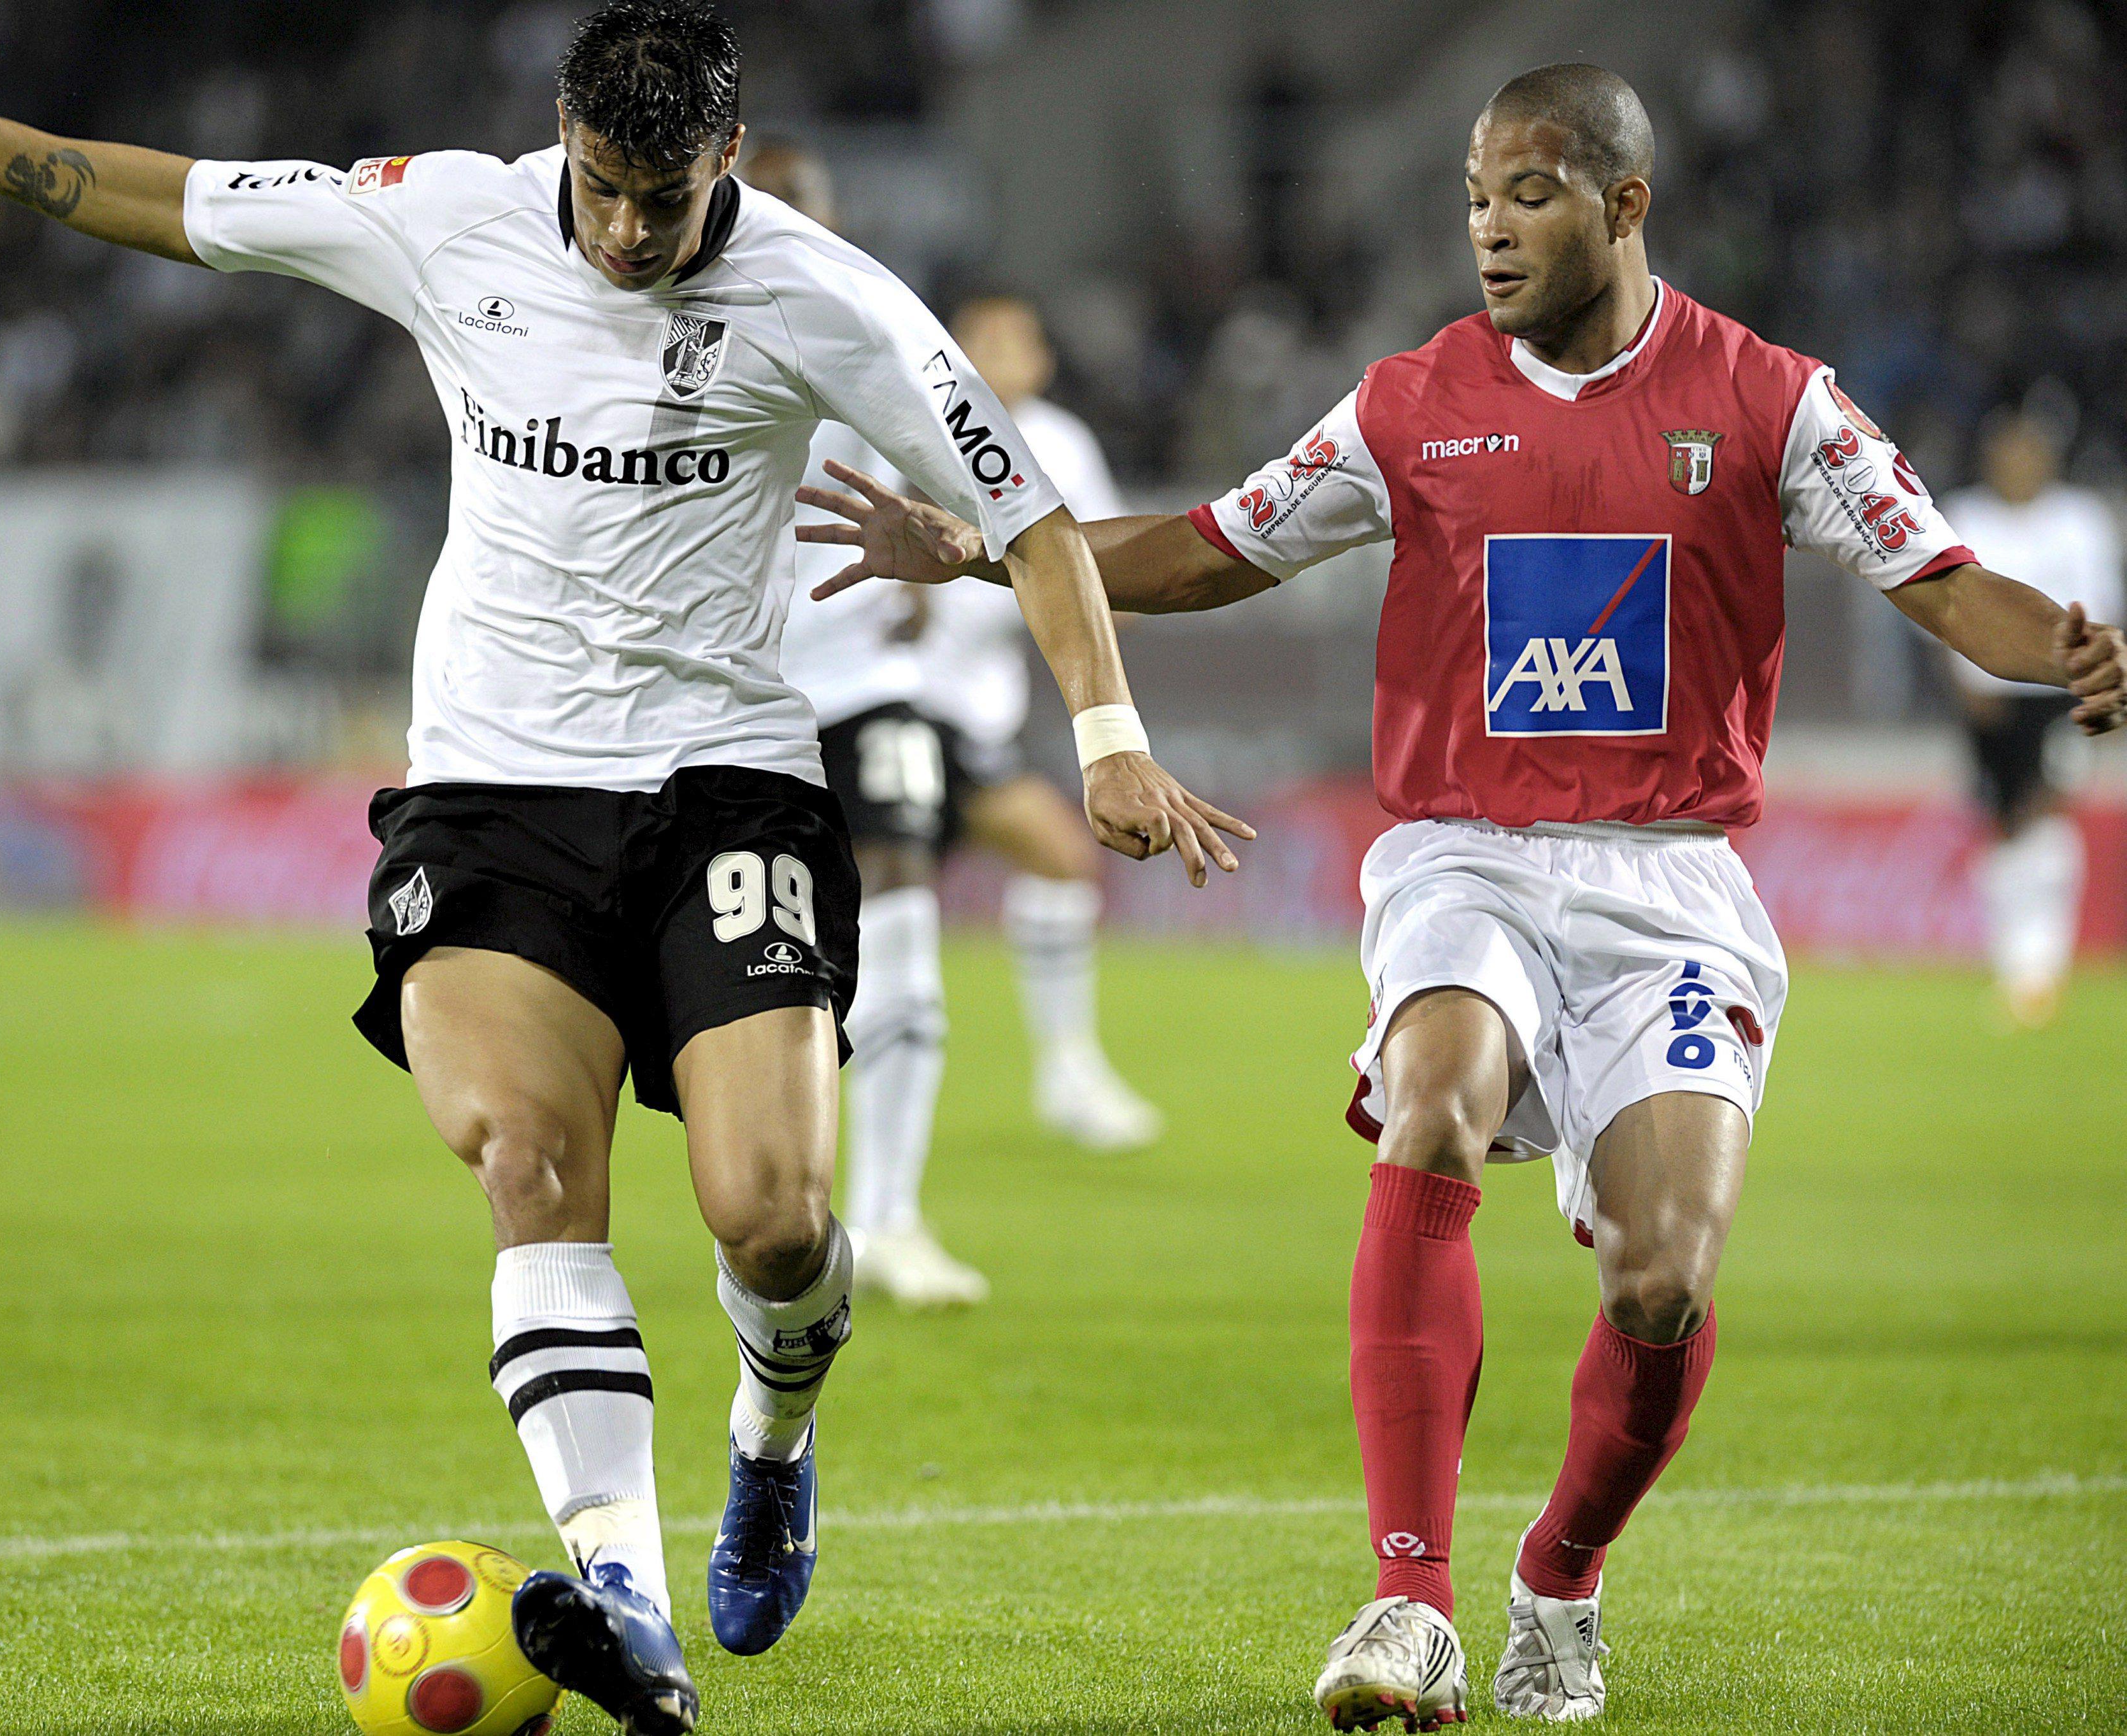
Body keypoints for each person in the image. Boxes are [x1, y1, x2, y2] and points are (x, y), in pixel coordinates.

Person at [0, 8, 1246, 1730]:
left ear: (733, 163)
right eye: (607, 190)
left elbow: (1040, 515)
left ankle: (775, 1425)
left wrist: (1109, 729)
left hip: (724, 786)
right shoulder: (447, 215)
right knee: (530, 1157)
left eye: (668, 200)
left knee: (774, 1219)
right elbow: (171, 200)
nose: (629, 230)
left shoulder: (828, 299)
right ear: (562, 139)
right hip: (492, 785)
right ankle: (623, 1592)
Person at [797, 62, 2125, 1727]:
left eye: (1534, 195)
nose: (1491, 229)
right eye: (1477, 196)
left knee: (1661, 1274)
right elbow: (1217, 543)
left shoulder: (1774, 401)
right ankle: (1407, 1600)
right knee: (1431, 1100)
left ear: (1627, 205)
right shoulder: (1410, 404)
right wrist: (987, 545)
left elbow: (1943, 578)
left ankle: (1556, 1580)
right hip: (1465, 851)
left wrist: (2066, 649)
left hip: (1670, 884)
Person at [748, 139, 990, 1310]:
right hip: (735, 696)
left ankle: (891, 1215)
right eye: (767, 206)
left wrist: (932, 547)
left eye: (808, 207)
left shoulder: (875, 317)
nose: (788, 227)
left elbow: (962, 460)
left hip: (863, 684)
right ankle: (768, 1207)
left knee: (903, 905)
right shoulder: (673, 325)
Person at [937, 295, 1165, 1151]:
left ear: (1041, 360)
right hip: (893, 700)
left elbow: (1103, 571)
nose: (998, 355)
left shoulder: (1063, 444)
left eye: (1014, 340)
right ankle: (1065, 1070)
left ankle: (1068, 1070)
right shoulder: (909, 425)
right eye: (979, 338)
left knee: (1061, 863)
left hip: (974, 711)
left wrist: (1072, 601)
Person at [1938, 406, 2123, 1027]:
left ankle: (2040, 969)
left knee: (2044, 811)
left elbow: (2098, 610)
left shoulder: (2078, 520)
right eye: (2006, 451)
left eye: (2028, 451)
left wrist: (2095, 691)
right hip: (1985, 700)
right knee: (2001, 824)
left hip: (2054, 695)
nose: (2017, 463)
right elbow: (1943, 604)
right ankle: (2012, 962)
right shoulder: (1965, 515)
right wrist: (1963, 679)